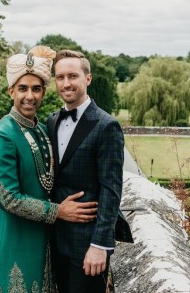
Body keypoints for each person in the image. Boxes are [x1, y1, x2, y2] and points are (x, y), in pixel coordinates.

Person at [0, 46, 98, 293]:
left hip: (42, 239)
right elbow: (8, 198)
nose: (30, 96)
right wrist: (59, 211)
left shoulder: (43, 129)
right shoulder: (1, 135)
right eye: (23, 88)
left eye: (36, 89)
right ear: (11, 90)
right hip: (14, 238)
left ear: (44, 92)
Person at [47, 49, 133, 293]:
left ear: (88, 78)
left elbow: (111, 189)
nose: (66, 83)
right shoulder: (52, 121)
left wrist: (100, 245)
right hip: (55, 241)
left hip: (87, 247)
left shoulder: (107, 125)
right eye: (60, 77)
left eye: (72, 76)